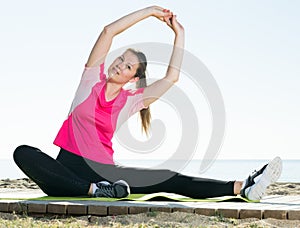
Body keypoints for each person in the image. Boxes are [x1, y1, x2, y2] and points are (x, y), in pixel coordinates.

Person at [13, 6, 282, 200]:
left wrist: (179, 34)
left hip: (104, 172)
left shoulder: (131, 101)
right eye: (120, 60)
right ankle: (94, 191)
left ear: (133, 77)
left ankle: (242, 186)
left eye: (128, 66)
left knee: (166, 177)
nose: (120, 65)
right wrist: (150, 11)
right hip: (65, 171)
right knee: (23, 152)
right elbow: (109, 31)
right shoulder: (90, 80)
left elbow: (172, 77)